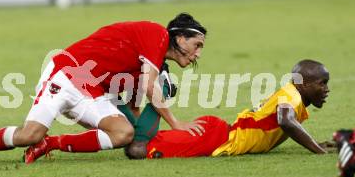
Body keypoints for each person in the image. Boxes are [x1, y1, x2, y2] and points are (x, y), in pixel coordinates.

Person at [0, 13, 208, 166]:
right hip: (68, 74)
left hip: (92, 89)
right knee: (28, 135)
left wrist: (140, 132)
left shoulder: (154, 62)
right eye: (197, 45)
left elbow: (137, 97)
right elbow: (151, 86)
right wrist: (175, 123)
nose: (197, 54)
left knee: (123, 133)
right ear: (180, 37)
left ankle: (51, 144)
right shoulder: (157, 35)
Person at [125, 59, 331, 159]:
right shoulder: (292, 96)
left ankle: (123, 121)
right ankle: (122, 118)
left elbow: (285, 124)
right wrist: (318, 150)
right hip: (217, 138)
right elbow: (286, 121)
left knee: (141, 144)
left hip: (218, 134)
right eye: (322, 83)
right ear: (304, 84)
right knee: (137, 150)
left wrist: (313, 142)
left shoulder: (292, 95)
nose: (326, 89)